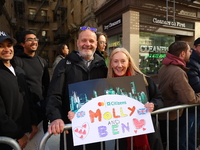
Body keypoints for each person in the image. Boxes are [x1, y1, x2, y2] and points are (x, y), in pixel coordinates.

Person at [46, 26, 108, 150]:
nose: (87, 44)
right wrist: (56, 117)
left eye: (91, 41)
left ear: (96, 44)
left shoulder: (103, 66)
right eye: (84, 40)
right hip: (73, 129)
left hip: (97, 128)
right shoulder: (64, 64)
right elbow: (54, 94)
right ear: (77, 43)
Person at [107, 47, 164, 150]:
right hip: (122, 136)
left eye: (123, 61)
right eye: (115, 61)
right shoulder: (107, 85)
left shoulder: (144, 80)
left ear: (129, 62)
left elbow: (159, 98)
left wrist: (153, 105)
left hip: (148, 135)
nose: (119, 65)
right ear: (111, 63)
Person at [158, 41, 200, 150]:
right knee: (175, 144)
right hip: (172, 115)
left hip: (165, 113)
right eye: (189, 51)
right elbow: (190, 98)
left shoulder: (165, 66)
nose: (191, 53)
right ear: (182, 54)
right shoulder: (178, 72)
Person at [0, 31, 38, 149]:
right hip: (7, 140)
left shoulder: (19, 71)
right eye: (1, 46)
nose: (6, 49)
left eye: (9, 45)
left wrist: (33, 122)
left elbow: (27, 99)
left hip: (27, 134)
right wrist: (18, 134)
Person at [13, 31, 50, 132]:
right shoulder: (17, 61)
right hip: (25, 111)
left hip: (42, 110)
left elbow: (46, 85)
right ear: (22, 44)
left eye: (35, 39)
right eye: (30, 40)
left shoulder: (42, 61)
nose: (34, 42)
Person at [185, 38, 200, 150]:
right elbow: (196, 85)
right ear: (195, 47)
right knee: (190, 134)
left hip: (196, 105)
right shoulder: (191, 61)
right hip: (192, 106)